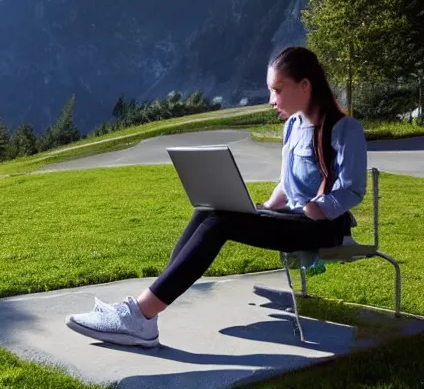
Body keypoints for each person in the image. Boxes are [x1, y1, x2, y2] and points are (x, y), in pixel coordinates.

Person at [65, 46, 367, 348]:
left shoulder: (345, 129)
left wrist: (321, 206)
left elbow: (353, 189)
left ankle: (140, 316)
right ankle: (149, 308)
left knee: (219, 224)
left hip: (322, 228)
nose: (271, 101)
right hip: (291, 220)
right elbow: (287, 186)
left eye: (277, 90)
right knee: (209, 210)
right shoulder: (293, 127)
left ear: (304, 86)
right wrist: (258, 209)